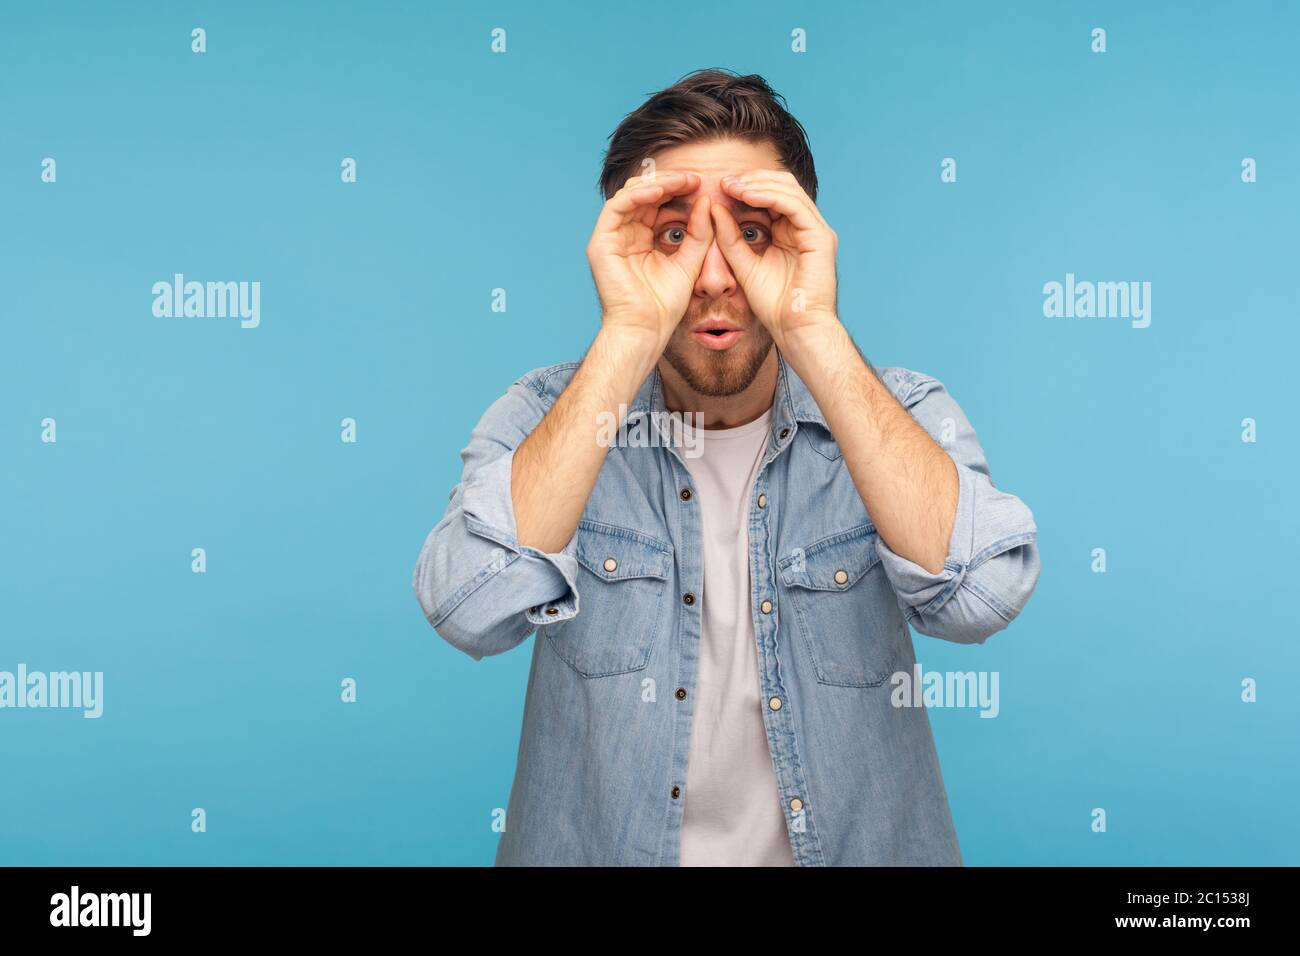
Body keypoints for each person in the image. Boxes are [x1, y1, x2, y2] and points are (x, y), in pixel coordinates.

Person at [412, 69, 1040, 866]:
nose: (713, 277)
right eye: (674, 235)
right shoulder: (546, 417)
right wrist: (630, 329)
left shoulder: (899, 413)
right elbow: (466, 607)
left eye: (752, 233)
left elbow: (983, 596)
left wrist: (811, 325)